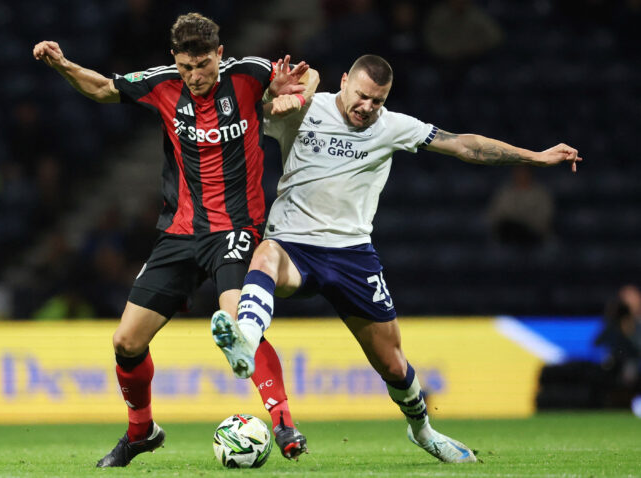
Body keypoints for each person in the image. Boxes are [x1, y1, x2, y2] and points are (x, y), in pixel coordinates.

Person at [212, 54, 581, 464]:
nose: (368, 107)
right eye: (362, 96)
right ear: (345, 81)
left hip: (352, 256)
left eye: (377, 100)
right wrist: (271, 100)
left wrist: (534, 156)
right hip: (293, 246)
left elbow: (463, 144)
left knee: (392, 364)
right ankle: (244, 337)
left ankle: (423, 431)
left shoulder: (392, 126)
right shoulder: (305, 108)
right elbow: (245, 118)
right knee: (264, 254)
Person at [33, 12, 318, 467]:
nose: (195, 76)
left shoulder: (249, 74)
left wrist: (295, 92)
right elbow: (104, 88)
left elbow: (310, 74)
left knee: (237, 322)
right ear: (174, 60)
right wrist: (64, 65)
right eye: (186, 67)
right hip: (179, 233)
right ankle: (141, 431)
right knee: (126, 342)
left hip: (236, 228)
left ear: (219, 55)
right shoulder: (162, 82)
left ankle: (283, 421)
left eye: (202, 65)